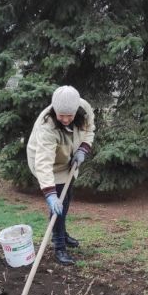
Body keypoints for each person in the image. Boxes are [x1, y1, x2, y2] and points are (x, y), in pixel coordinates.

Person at [27, 85, 95, 266]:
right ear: (55, 110)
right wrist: (50, 194)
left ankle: (62, 234)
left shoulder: (84, 110)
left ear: (76, 111)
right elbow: (43, 163)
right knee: (58, 204)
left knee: (66, 198)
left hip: (68, 159)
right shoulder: (47, 125)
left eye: (70, 115)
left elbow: (90, 130)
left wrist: (82, 149)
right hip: (46, 163)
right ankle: (59, 246)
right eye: (61, 115)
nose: (65, 119)